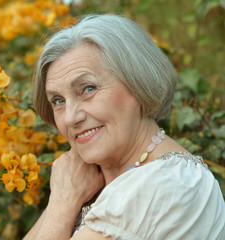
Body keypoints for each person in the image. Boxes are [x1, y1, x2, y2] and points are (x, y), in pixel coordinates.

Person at [24, 14, 225, 240]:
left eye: (87, 89)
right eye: (58, 101)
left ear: (138, 82)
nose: (70, 118)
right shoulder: (93, 183)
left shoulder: (163, 184)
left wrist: (61, 204)